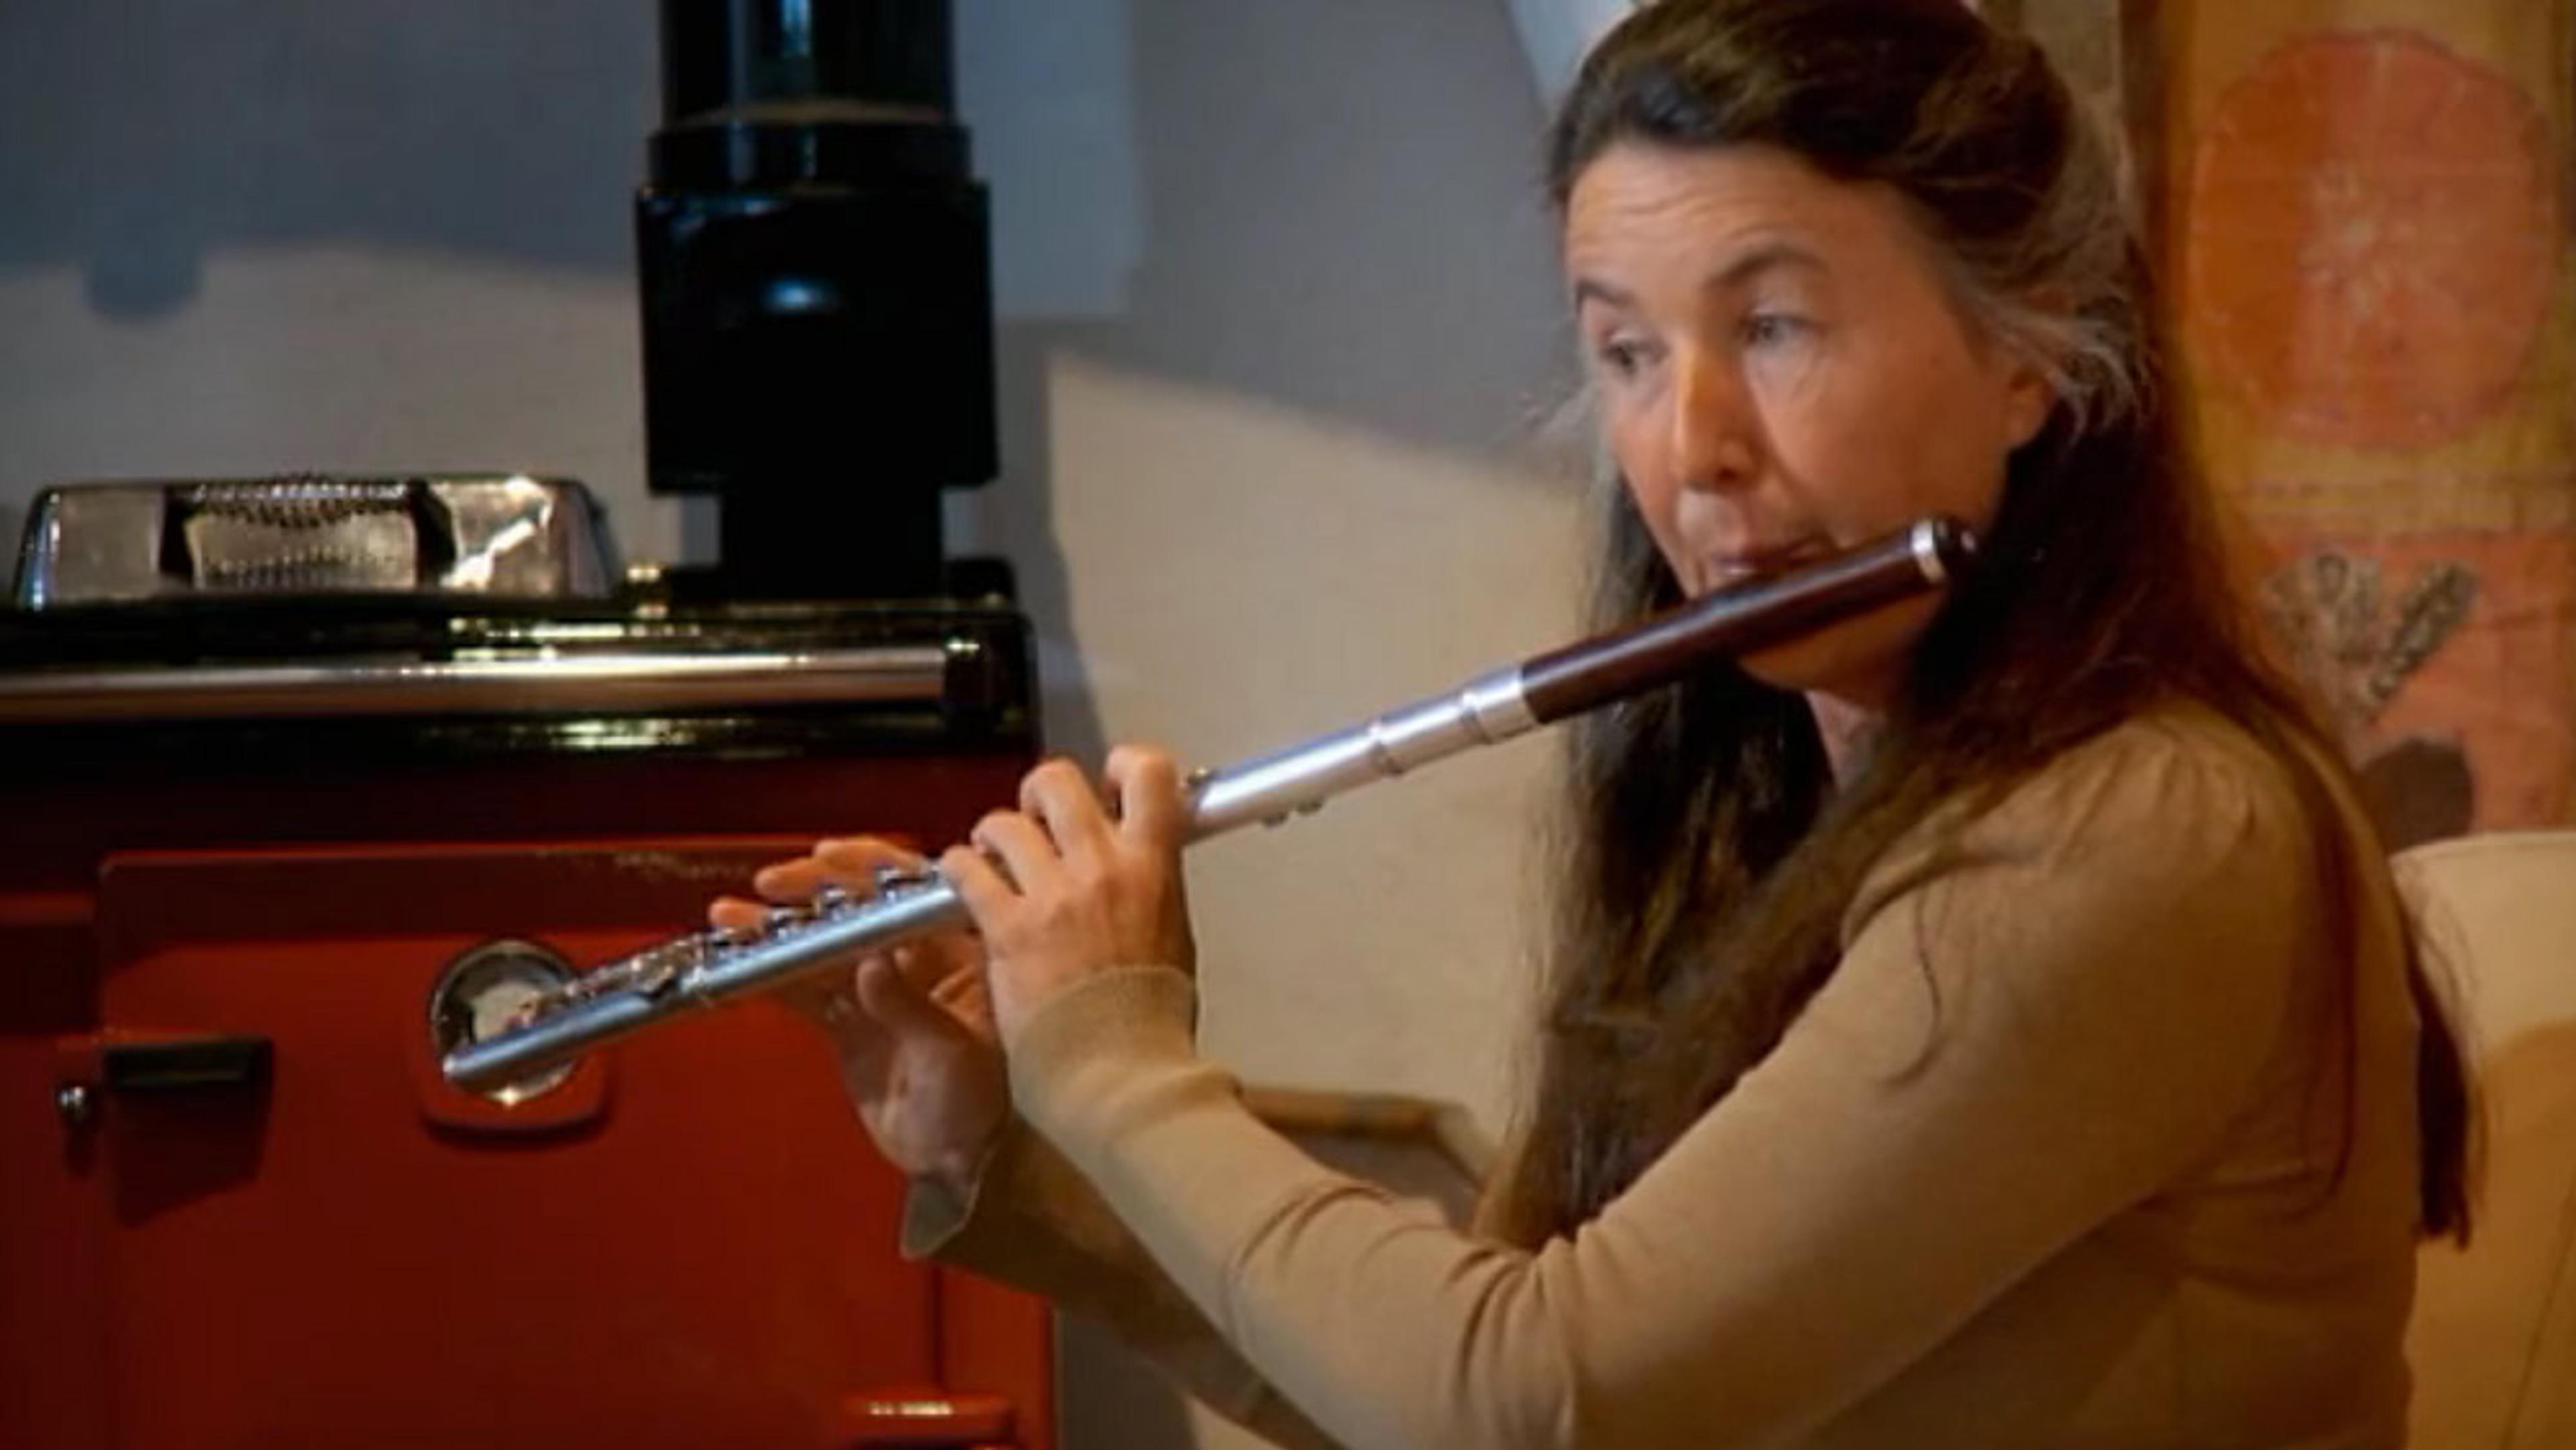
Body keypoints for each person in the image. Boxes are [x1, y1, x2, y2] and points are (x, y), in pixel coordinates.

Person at [716, 1, 2472, 1444]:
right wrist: (1009, 1134)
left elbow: (1538, 1399)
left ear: (2034, 353)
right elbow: (1434, 1387)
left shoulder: (2150, 833)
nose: (1690, 444)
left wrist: (1116, 1054)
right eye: (1626, 350)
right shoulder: (1766, 800)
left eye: (1773, 324)